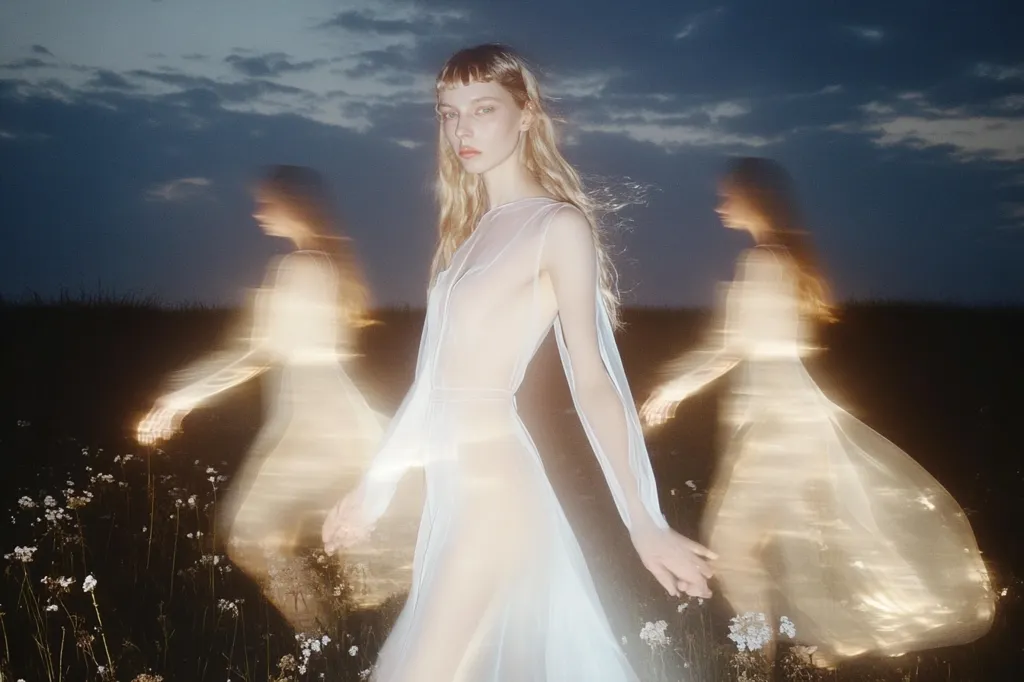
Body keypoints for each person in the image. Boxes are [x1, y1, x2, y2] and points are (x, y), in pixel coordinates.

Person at [321, 44, 715, 681]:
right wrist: (375, 486)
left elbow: (594, 381)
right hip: (454, 486)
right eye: (449, 113)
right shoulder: (469, 233)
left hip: (493, 489)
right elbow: (432, 387)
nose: (462, 130)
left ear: (526, 114)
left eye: (483, 109)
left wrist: (644, 520)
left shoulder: (557, 227)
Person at [641, 157, 995, 666]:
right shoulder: (784, 260)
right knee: (780, 551)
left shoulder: (764, 263)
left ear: (752, 199)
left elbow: (735, 347)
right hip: (786, 420)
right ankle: (816, 649)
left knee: (735, 548)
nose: (721, 205)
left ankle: (764, 661)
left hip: (778, 427)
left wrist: (671, 390)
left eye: (728, 195)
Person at [137, 165, 410, 630]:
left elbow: (257, 351)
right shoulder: (327, 262)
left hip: (316, 417)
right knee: (336, 543)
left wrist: (178, 400)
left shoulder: (301, 266)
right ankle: (332, 643)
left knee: (253, 534)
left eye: (266, 202)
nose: (258, 213)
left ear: (292, 206)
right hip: (329, 413)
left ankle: (321, 642)